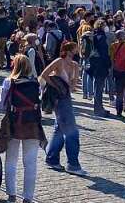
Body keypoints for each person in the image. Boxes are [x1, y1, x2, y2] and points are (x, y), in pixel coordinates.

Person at [0, 56, 45, 203]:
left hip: (14, 125)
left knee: (11, 160)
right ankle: (28, 198)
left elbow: (1, 105)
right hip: (32, 125)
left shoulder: (8, 82)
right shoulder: (37, 83)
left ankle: (11, 194)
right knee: (30, 163)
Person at [40, 40, 85, 176]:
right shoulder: (59, 61)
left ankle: (51, 158)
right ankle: (73, 164)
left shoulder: (75, 65)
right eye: (75, 48)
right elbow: (44, 74)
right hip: (59, 100)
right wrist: (55, 85)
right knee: (72, 132)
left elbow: (73, 85)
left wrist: (74, 76)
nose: (77, 50)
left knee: (59, 129)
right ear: (69, 50)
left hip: (67, 98)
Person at [85, 20, 110, 117]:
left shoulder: (94, 35)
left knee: (97, 86)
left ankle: (99, 107)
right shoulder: (101, 37)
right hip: (100, 64)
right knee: (99, 87)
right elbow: (104, 52)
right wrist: (108, 63)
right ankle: (98, 109)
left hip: (93, 63)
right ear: (102, 26)